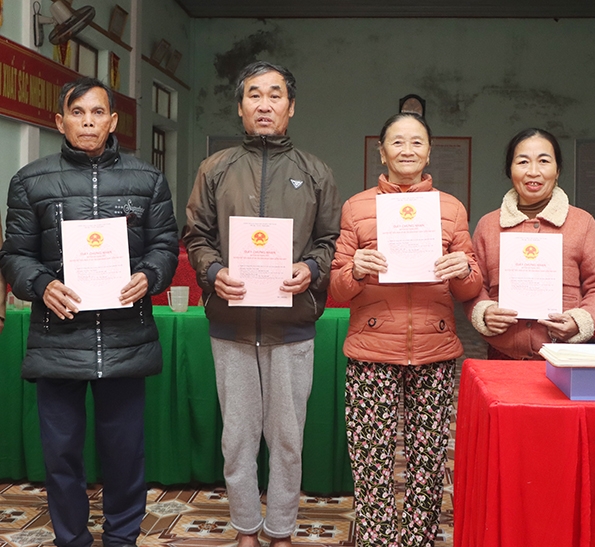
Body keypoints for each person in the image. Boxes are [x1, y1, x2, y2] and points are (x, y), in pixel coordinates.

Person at [0, 77, 178, 547]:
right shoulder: (30, 180)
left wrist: (150, 276)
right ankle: (71, 539)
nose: (87, 122)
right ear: (60, 121)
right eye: (77, 113)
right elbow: (14, 254)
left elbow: (165, 246)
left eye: (97, 113)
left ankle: (122, 539)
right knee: (61, 457)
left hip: (125, 339)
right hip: (57, 340)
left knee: (124, 455)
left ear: (113, 121)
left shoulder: (147, 180)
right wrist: (40, 284)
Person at [183, 61, 340, 547]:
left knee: (288, 442)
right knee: (238, 440)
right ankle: (248, 528)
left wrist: (311, 269)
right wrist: (213, 272)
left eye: (275, 95)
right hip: (231, 326)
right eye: (255, 95)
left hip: (291, 328)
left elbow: (331, 240)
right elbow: (196, 236)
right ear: (241, 106)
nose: (265, 104)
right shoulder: (215, 168)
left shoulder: (315, 171)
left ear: (291, 108)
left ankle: (282, 529)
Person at [330, 112, 481, 547]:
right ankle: (376, 539)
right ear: (382, 151)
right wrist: (354, 269)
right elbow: (337, 288)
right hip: (371, 349)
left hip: (435, 350)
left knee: (428, 460)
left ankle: (418, 539)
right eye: (397, 142)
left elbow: (471, 286)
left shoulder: (450, 208)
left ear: (429, 151)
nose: (407, 150)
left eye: (417, 142)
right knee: (371, 459)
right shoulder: (357, 207)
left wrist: (463, 268)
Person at [465, 128, 595, 359]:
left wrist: (580, 321)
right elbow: (474, 287)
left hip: (564, 356)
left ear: (557, 170)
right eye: (523, 162)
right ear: (510, 169)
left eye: (544, 161)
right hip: (503, 356)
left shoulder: (582, 223)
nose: (533, 172)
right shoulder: (488, 225)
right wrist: (484, 312)